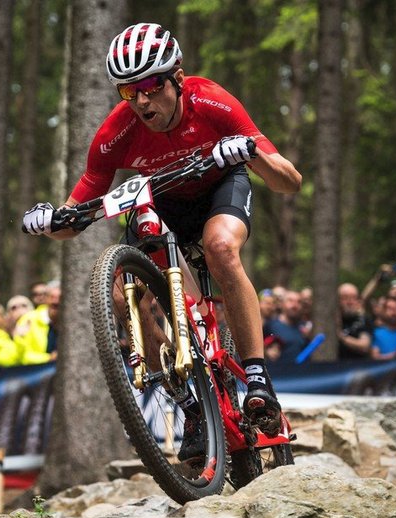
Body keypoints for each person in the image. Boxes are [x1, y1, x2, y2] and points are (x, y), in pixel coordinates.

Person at [22, 23, 301, 442]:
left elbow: (289, 181)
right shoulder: (114, 133)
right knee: (121, 292)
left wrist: (250, 152)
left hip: (216, 190)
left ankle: (257, 379)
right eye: (128, 91)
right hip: (162, 201)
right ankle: (188, 404)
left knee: (220, 248)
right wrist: (50, 222)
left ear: (178, 79)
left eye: (151, 85)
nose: (142, 100)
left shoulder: (213, 101)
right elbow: (74, 216)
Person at [15, 285, 60, 364]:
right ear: (46, 299)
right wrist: (48, 358)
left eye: (60, 298)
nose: (55, 301)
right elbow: (22, 355)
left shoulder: (72, 322)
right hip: (35, 372)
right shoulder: (28, 320)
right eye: (52, 297)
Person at [263, 290, 308, 364]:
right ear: (282, 304)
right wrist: (267, 352)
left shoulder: (305, 328)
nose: (295, 305)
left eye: (299, 302)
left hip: (302, 373)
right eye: (290, 301)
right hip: (279, 373)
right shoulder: (271, 325)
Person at [337, 282, 372, 360]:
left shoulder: (363, 319)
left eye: (354, 298)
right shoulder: (330, 320)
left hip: (357, 369)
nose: (350, 302)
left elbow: (364, 346)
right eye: (345, 298)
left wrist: (340, 337)